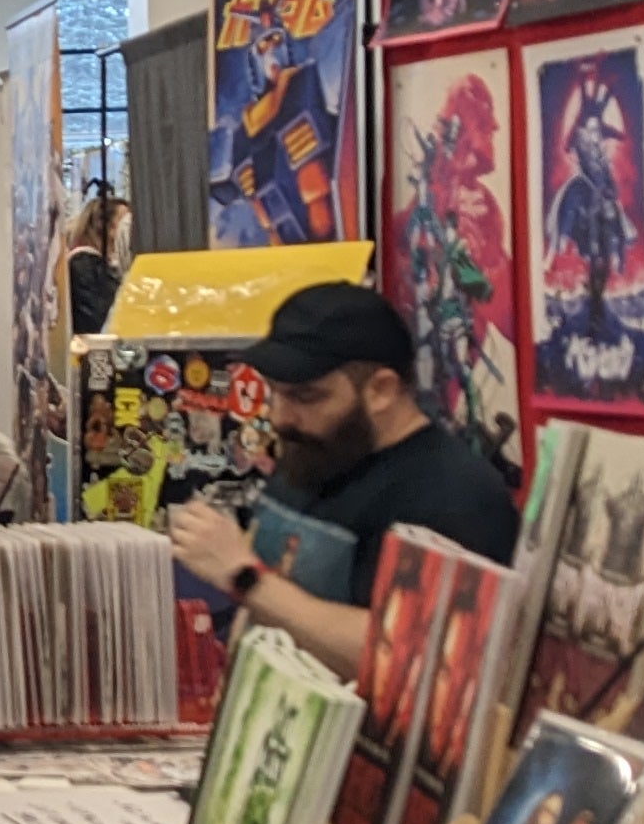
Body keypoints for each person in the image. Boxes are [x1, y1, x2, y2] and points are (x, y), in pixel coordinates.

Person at [163, 284, 518, 679]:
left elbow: (414, 660)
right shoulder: (318, 451)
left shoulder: (456, 496)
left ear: (381, 390)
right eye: (274, 393)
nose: (280, 417)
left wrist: (245, 578)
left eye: (306, 397)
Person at [61, 183, 130, 338]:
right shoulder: (84, 264)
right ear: (107, 227)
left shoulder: (95, 265)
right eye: (124, 221)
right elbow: (99, 319)